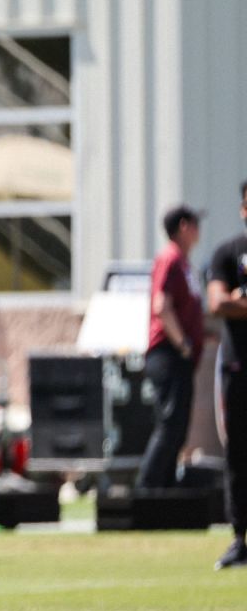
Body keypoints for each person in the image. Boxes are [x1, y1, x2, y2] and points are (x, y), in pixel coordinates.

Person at [136, 204, 204, 490]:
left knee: (179, 427)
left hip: (180, 355)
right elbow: (161, 306)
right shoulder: (170, 258)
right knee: (170, 422)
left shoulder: (184, 263)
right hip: (168, 353)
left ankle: (164, 490)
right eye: (195, 224)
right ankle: (148, 487)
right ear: (184, 226)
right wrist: (184, 343)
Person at [208, 181, 247, 570]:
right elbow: (218, 302)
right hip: (239, 368)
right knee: (238, 455)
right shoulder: (227, 253)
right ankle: (240, 538)